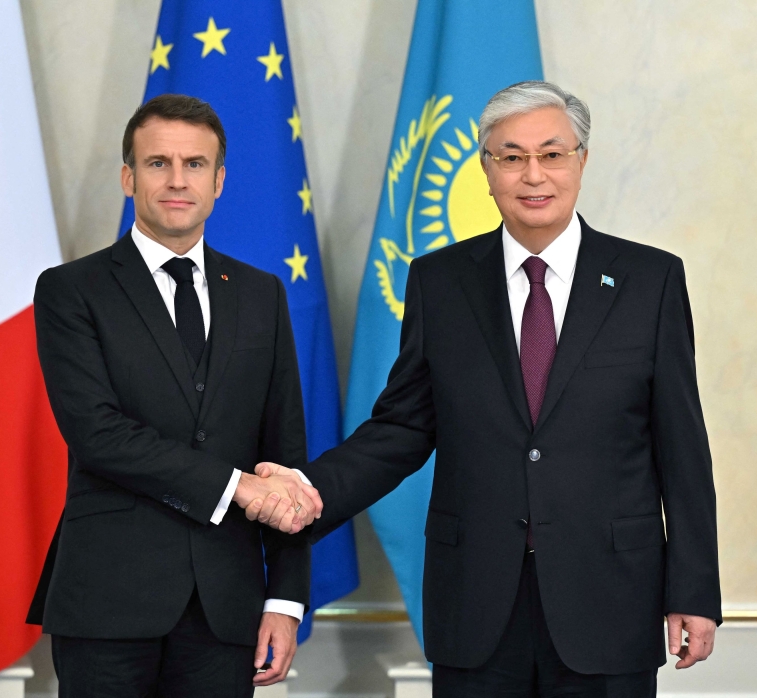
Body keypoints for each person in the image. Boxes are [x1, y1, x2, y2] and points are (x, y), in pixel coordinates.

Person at [250, 81, 721, 697]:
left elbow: (681, 447)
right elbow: (402, 428)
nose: (534, 174)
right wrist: (310, 490)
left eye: (553, 154)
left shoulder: (649, 280)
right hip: (475, 602)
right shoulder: (440, 283)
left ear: (581, 160)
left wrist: (693, 590)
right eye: (511, 156)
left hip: (609, 598)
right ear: (486, 168)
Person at [27, 93, 321, 697]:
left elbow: (284, 452)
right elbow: (98, 434)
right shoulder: (70, 290)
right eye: (158, 163)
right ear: (128, 178)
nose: (177, 180)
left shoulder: (260, 294)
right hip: (107, 602)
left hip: (226, 604)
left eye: (195, 164)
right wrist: (238, 486)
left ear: (219, 182)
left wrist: (286, 600)